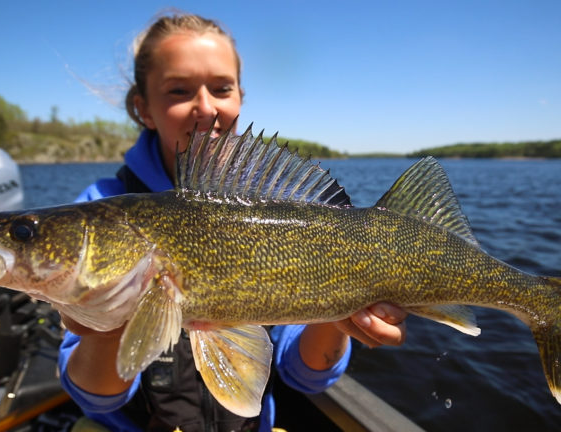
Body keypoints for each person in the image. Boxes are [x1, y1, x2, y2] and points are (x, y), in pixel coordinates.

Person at [57, 12, 407, 432]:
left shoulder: (278, 207)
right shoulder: (99, 210)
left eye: (221, 88)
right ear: (142, 108)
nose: (205, 108)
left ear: (240, 95)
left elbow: (307, 375)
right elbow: (96, 397)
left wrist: (337, 316)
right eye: (179, 90)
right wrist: (107, 327)